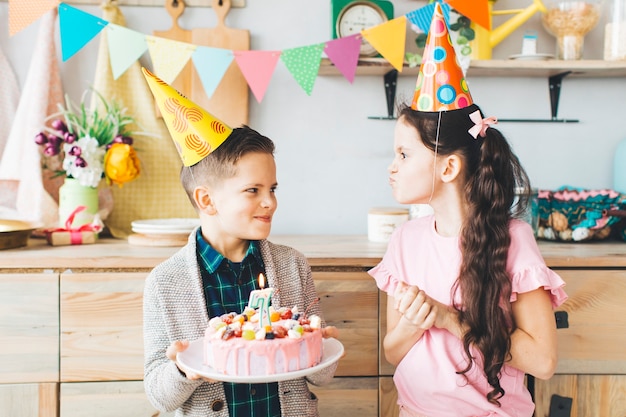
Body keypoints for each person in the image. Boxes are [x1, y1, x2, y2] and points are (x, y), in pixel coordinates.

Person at [368, 5, 567, 417]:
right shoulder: (404, 242)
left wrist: (447, 318)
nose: (392, 166)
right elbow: (392, 352)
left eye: (404, 154)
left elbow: (543, 361)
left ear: (449, 166)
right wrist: (415, 320)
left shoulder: (512, 239)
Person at [141, 68, 338, 417]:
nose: (270, 202)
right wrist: (183, 370)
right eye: (253, 190)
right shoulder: (165, 282)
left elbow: (323, 375)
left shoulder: (292, 266)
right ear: (207, 200)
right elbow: (159, 396)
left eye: (272, 189)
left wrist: (321, 347)